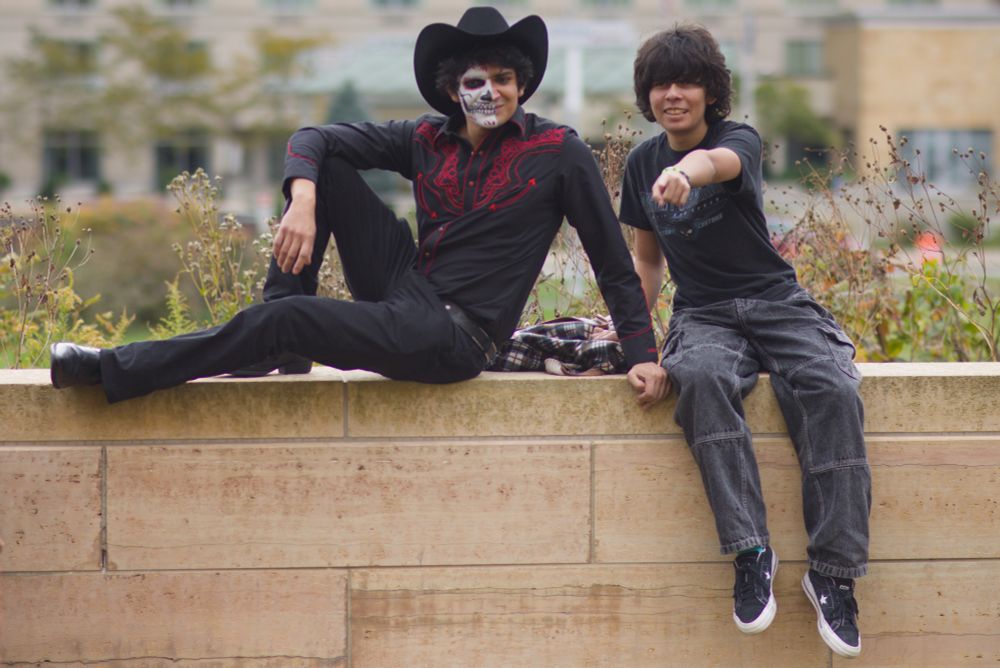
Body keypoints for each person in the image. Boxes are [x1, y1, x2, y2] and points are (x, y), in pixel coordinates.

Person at [49, 6, 668, 409]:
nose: (493, 92)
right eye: (477, 81)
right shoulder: (425, 139)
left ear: (523, 84)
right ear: (455, 90)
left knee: (287, 318)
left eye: (505, 78)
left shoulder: (558, 152)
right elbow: (313, 138)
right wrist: (304, 196)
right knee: (329, 170)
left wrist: (642, 356)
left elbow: (613, 262)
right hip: (409, 288)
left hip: (454, 336)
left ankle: (114, 369)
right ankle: (282, 344)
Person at [619, 25, 870, 657]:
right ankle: (750, 551)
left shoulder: (737, 139)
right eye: (660, 84)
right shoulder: (639, 164)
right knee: (700, 380)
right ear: (647, 95)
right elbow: (647, 264)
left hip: (777, 302)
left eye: (687, 82)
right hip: (703, 312)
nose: (673, 94)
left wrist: (686, 171)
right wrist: (635, 345)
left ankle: (833, 575)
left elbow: (717, 165)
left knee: (832, 388)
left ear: (710, 91)